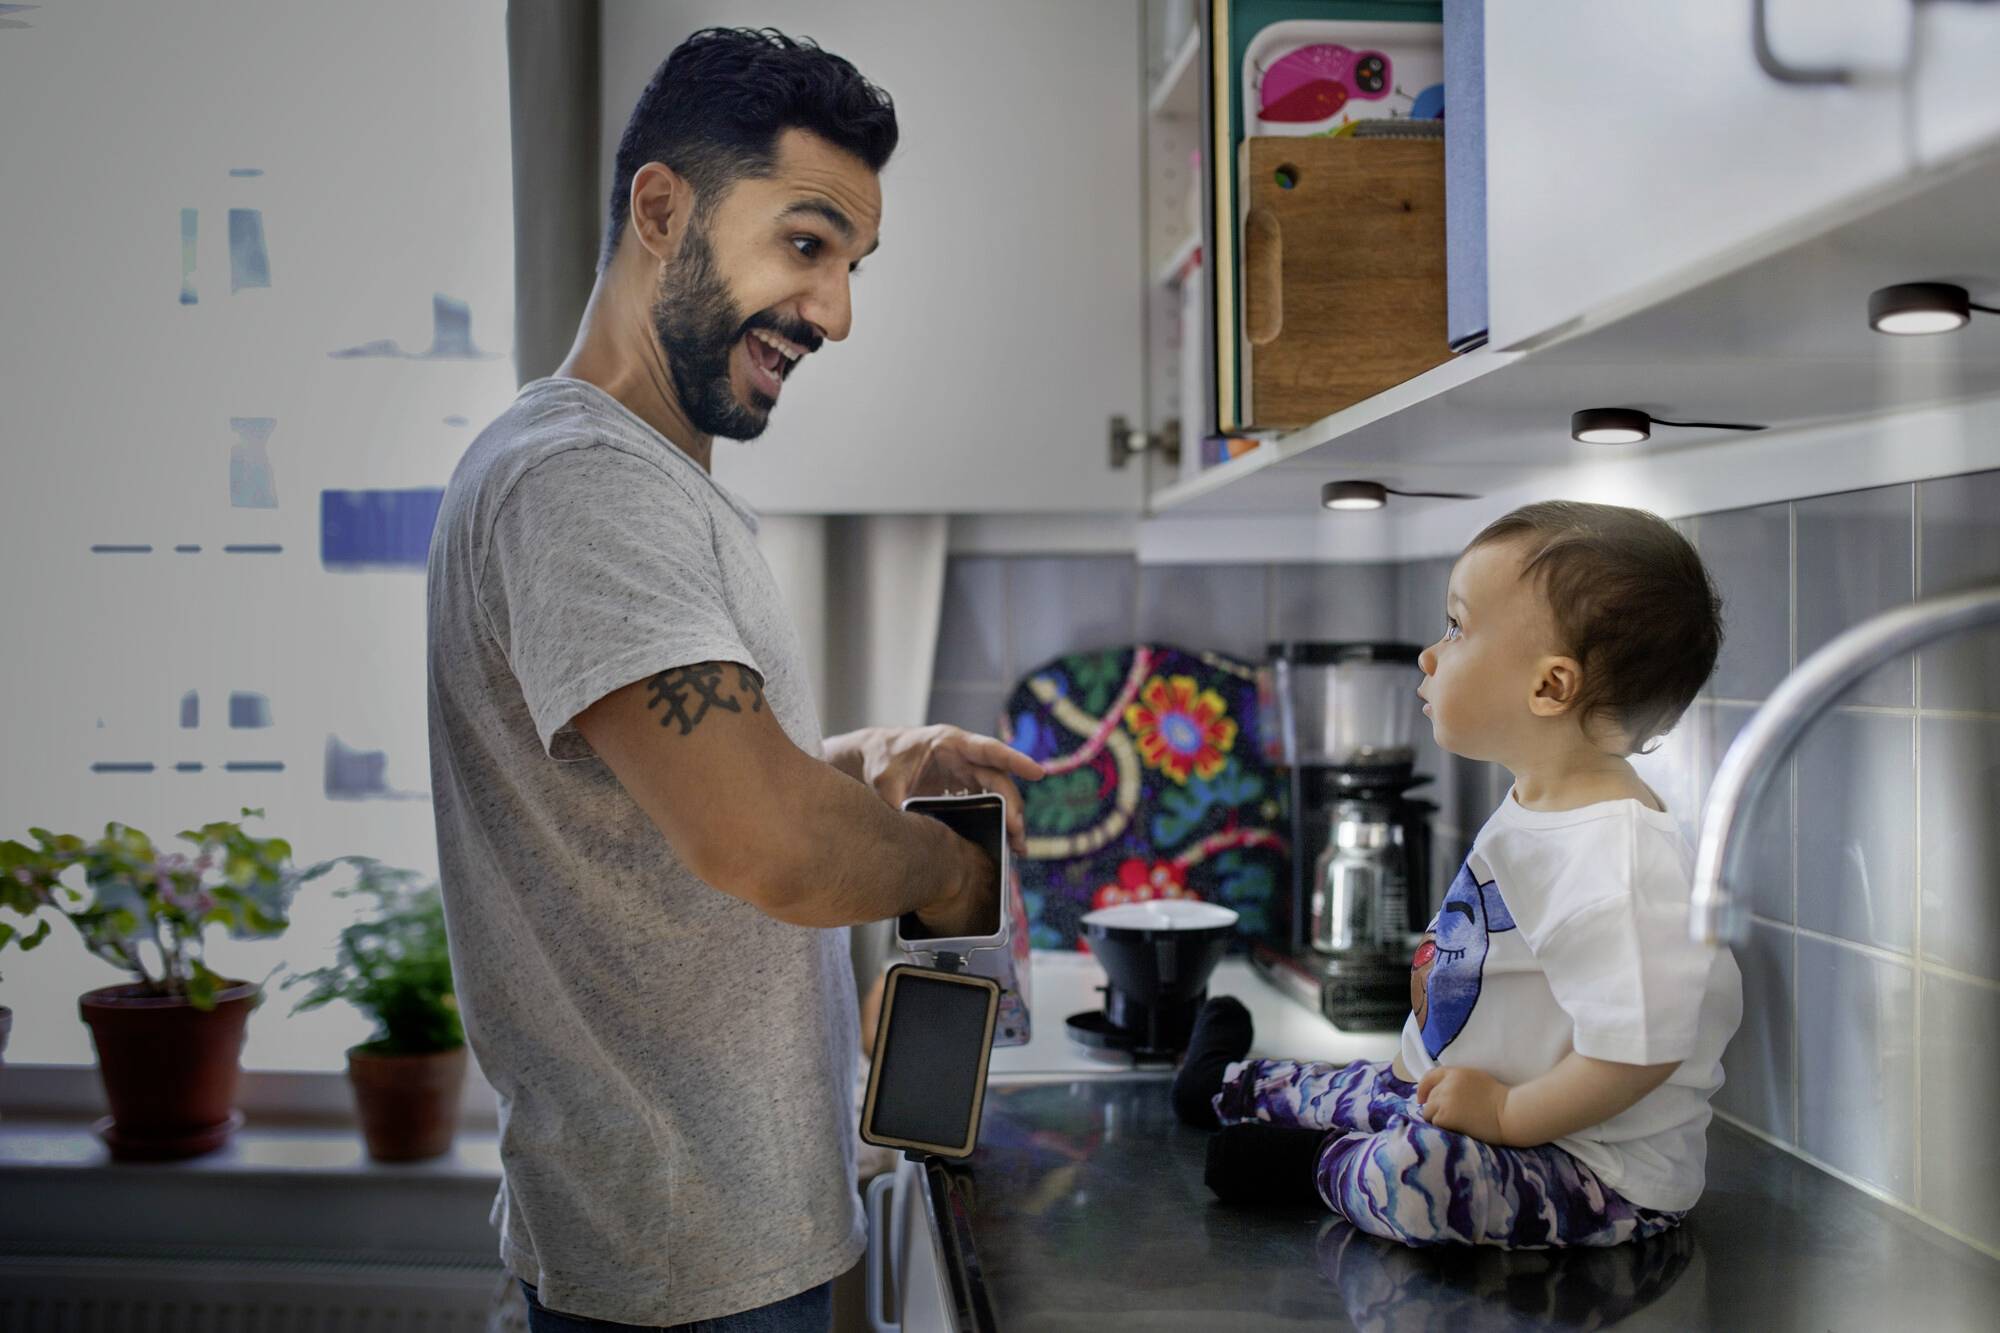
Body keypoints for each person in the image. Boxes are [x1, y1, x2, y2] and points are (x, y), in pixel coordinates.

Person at [425, 28, 1042, 1329]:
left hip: (708, 1242)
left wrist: (861, 762)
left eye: (852, 265)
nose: (837, 312)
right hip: (682, 1270)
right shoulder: (582, 486)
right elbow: (765, 846)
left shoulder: (644, 484)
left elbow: (654, 807)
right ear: (664, 208)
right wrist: (950, 870)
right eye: (807, 245)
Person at [1172, 501, 1744, 1249]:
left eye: (1457, 627)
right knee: (1366, 1083)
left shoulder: (1619, 860)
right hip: (1477, 1102)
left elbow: (1636, 1054)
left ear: (1550, 688)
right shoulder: (1538, 802)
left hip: (1590, 1169)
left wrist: (1507, 1114)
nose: (1429, 655)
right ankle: (1221, 1083)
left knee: (1420, 1178)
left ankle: (1319, 1164)